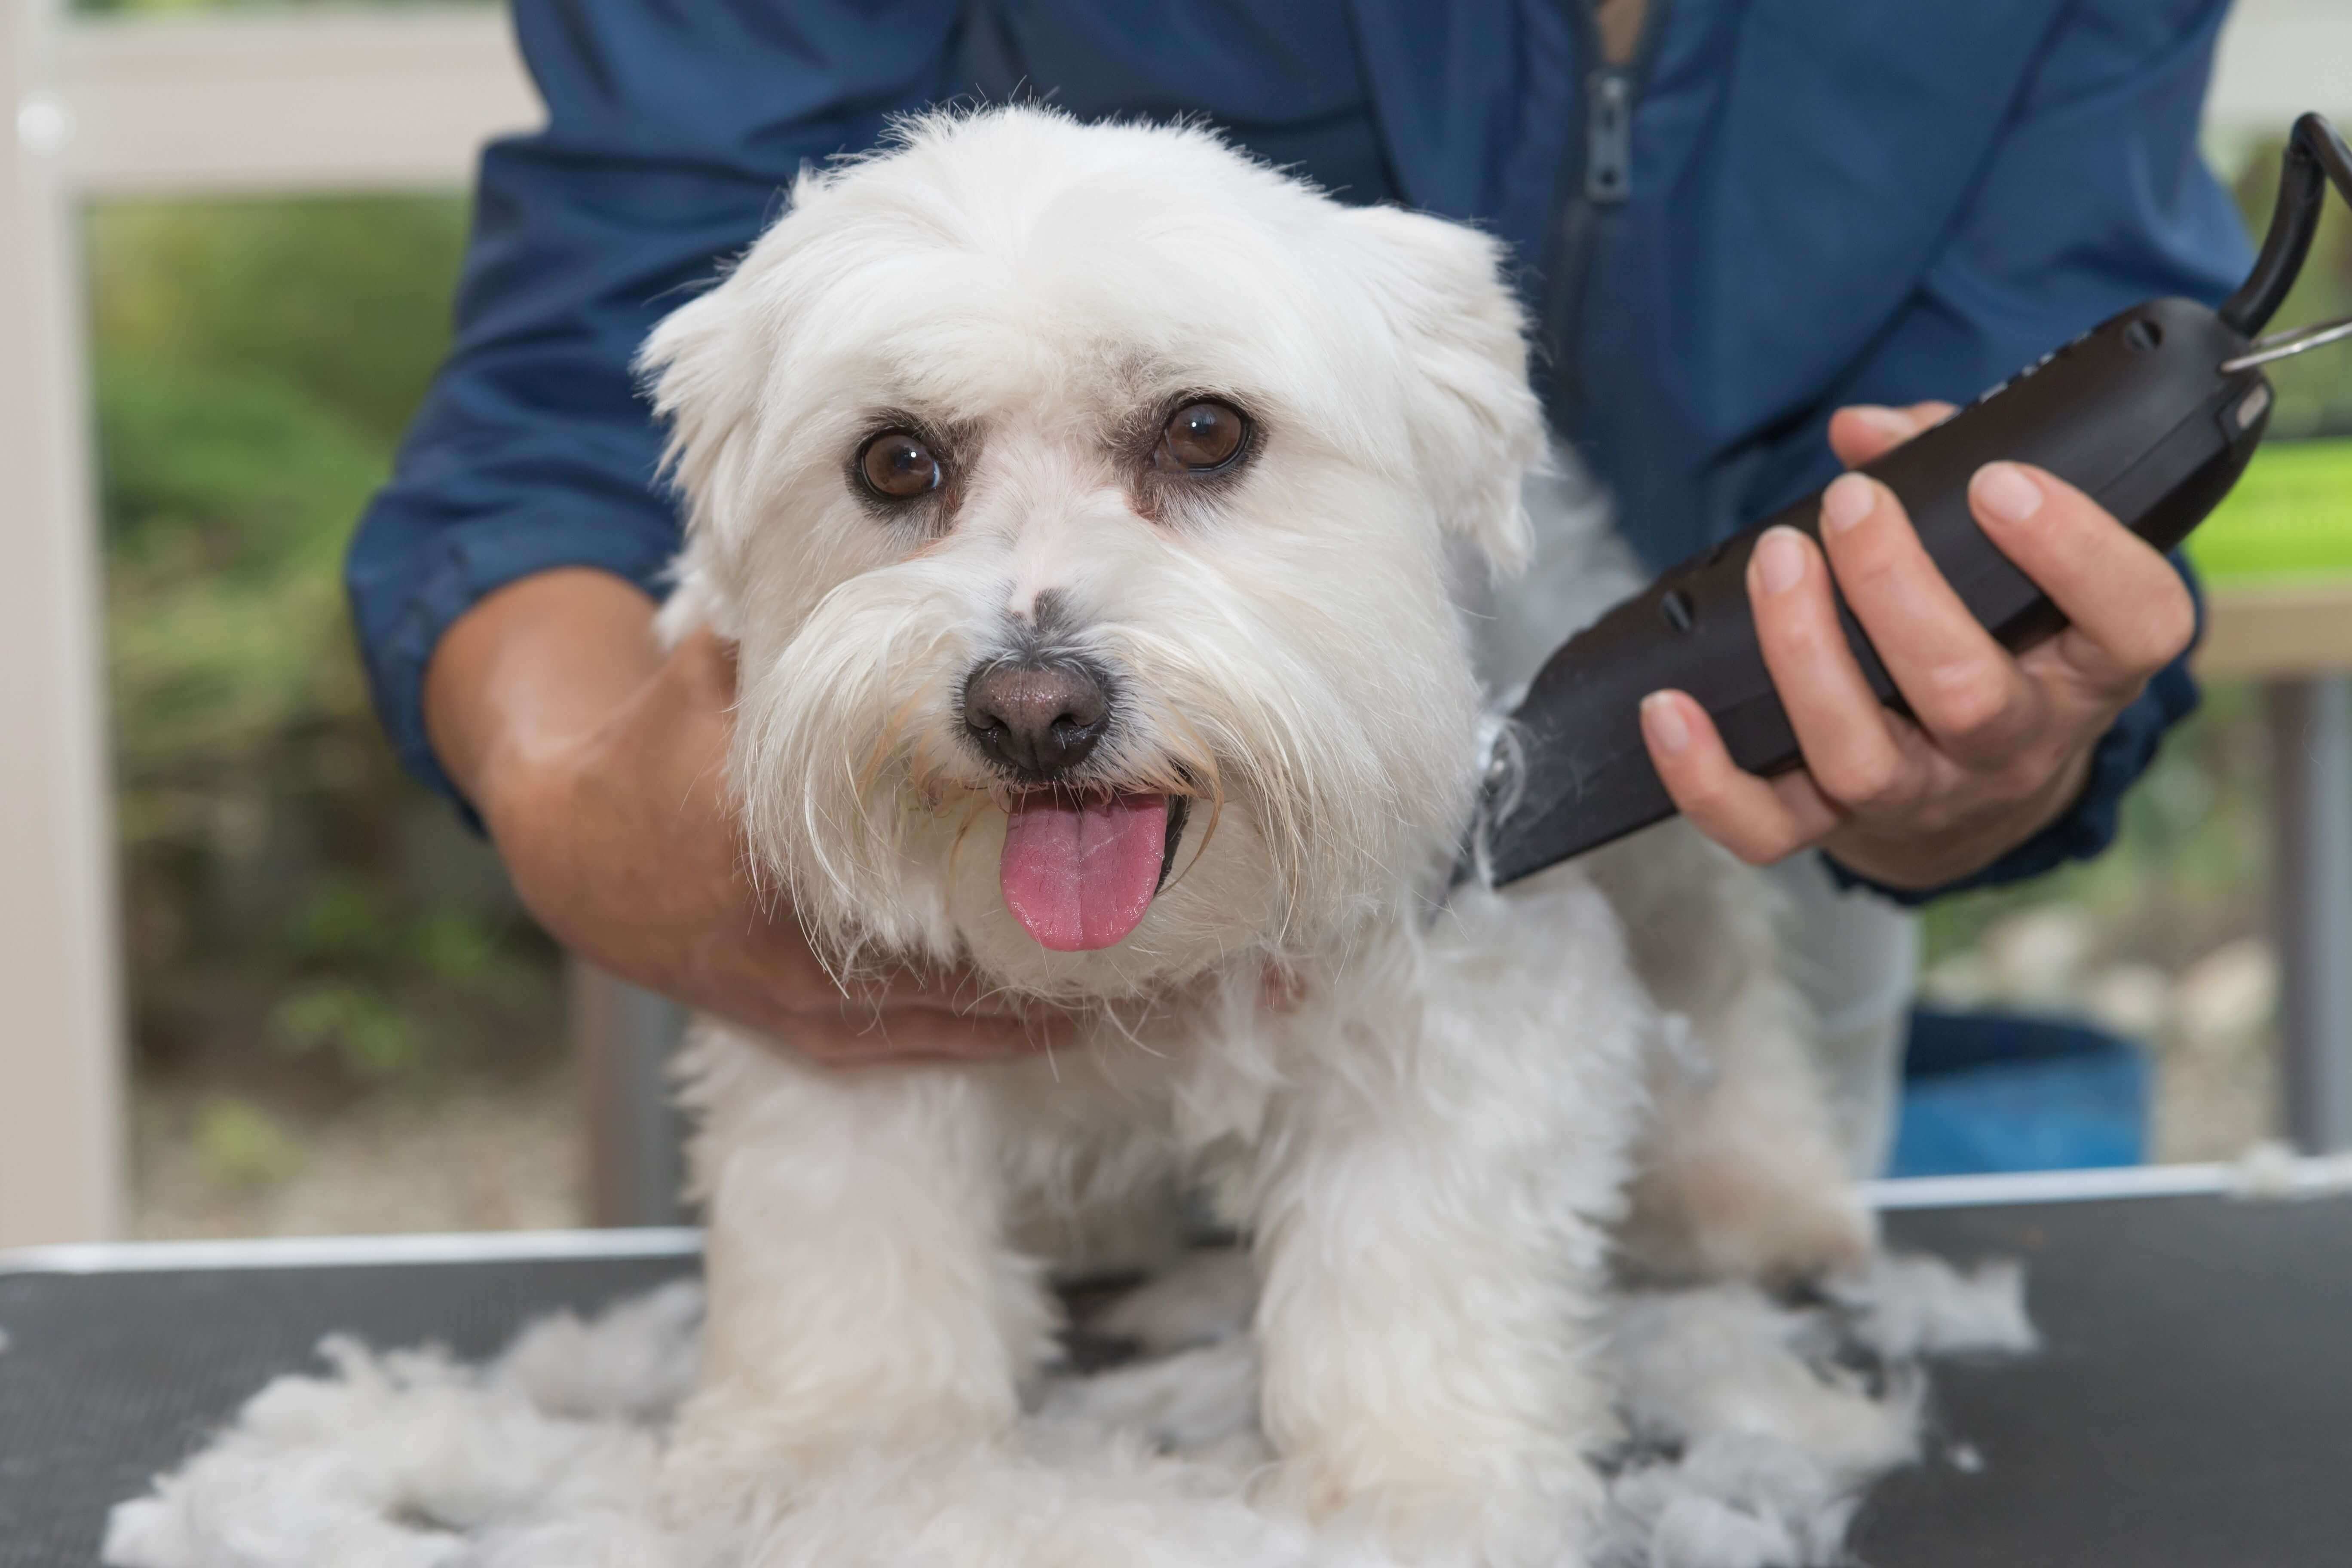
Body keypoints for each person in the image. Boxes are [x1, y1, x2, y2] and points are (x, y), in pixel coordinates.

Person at [349, 0, 2248, 1159]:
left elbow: (2049, 387)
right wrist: (563, 783)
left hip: (1730, 833)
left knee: (1661, 1324)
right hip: (893, 951)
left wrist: (1996, 755)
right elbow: (580, 375)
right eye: (914, 464)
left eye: (1193, 441)